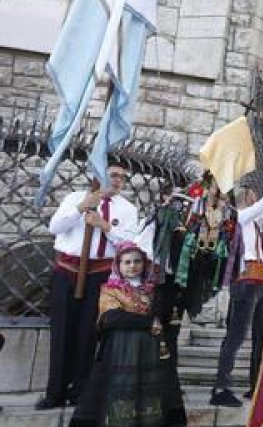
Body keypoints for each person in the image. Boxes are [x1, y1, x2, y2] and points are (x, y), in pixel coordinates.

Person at [39, 164, 141, 411]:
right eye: (113, 175)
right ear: (99, 175)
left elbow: (130, 244)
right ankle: (55, 392)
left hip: (99, 274)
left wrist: (105, 226)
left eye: (122, 178)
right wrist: (81, 207)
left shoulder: (127, 209)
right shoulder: (74, 198)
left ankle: (80, 392)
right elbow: (55, 228)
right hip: (67, 272)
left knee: (88, 333)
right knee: (62, 332)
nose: (117, 181)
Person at [68, 242, 186, 427]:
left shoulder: (153, 289)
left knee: (151, 396)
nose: (132, 266)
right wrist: (147, 322)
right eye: (127, 262)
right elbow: (111, 318)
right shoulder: (110, 289)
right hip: (122, 352)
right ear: (119, 265)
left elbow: (164, 316)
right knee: (122, 394)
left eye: (137, 261)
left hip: (150, 353)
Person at [209, 174, 263, 408]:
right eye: (254, 197)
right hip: (246, 281)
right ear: (247, 200)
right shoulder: (239, 217)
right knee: (236, 336)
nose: (257, 199)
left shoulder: (256, 226)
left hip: (261, 283)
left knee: (261, 335)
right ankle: (220, 387)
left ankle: (256, 385)